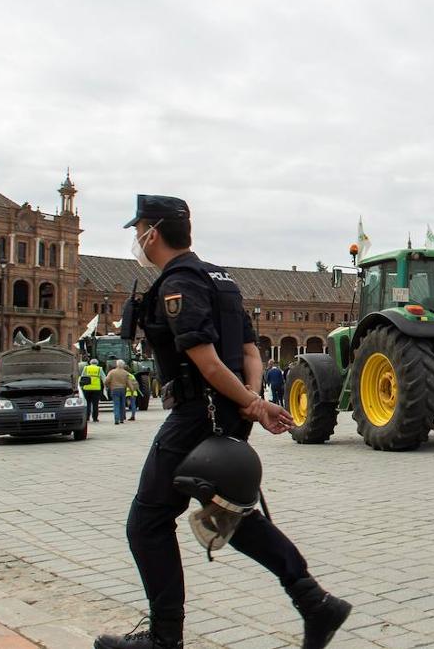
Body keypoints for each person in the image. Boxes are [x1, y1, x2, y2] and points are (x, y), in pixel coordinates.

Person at [96, 195, 349, 649]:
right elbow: (251, 351)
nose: (136, 238)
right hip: (227, 413)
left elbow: (208, 362)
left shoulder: (178, 284)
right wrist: (251, 402)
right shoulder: (222, 279)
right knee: (231, 517)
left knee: (147, 522)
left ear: (153, 232)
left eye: (139, 230)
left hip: (198, 413)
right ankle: (315, 602)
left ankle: (164, 637)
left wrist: (251, 404)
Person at [107, 359, 135, 425]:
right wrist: (132, 392)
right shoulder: (126, 373)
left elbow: (106, 380)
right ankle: (122, 419)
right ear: (123, 365)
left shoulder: (112, 372)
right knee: (122, 404)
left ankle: (116, 419)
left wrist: (109, 386)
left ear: (117, 364)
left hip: (114, 389)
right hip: (123, 389)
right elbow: (129, 383)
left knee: (116, 404)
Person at [81, 357, 105, 423]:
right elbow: (104, 378)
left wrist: (81, 386)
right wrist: (106, 386)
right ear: (97, 363)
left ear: (90, 363)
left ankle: (87, 417)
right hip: (96, 389)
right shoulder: (99, 369)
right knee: (95, 404)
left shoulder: (86, 368)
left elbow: (82, 377)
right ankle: (95, 418)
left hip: (87, 388)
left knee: (87, 403)